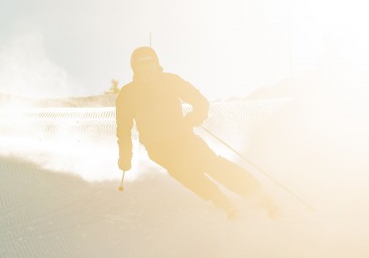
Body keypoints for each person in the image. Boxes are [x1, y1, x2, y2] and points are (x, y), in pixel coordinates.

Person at [116, 46, 277, 218]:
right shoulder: (128, 93)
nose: (146, 68)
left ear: (156, 64)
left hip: (183, 137)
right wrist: (125, 156)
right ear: (135, 68)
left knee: (209, 163)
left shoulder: (169, 81)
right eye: (141, 64)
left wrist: (192, 119)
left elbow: (200, 102)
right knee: (184, 172)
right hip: (157, 147)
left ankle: (254, 192)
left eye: (149, 63)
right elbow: (123, 129)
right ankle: (219, 200)